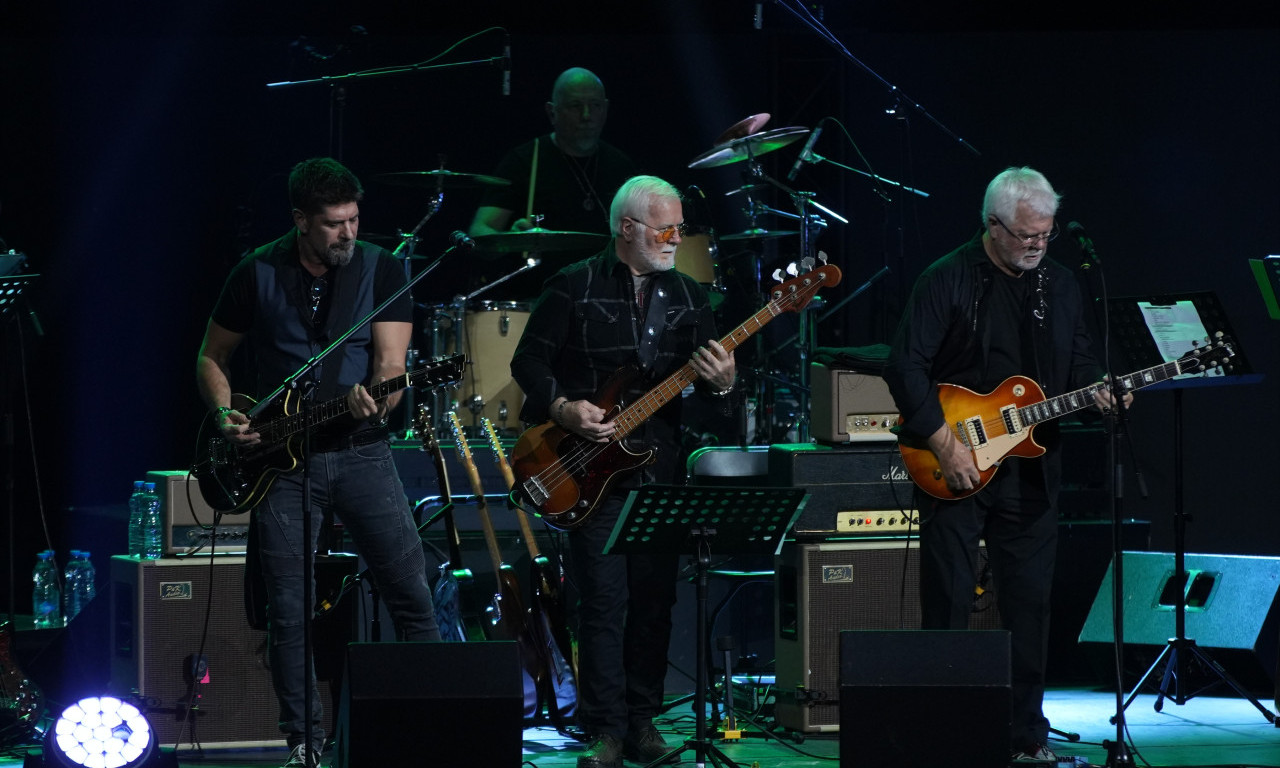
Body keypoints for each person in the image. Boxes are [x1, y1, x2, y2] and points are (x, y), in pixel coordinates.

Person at [195, 157, 440, 768]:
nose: (348, 233)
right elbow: (212, 356)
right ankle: (305, 743)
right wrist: (225, 414)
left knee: (412, 592)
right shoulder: (255, 271)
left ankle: (431, 728)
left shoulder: (383, 268)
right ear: (301, 220)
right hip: (279, 466)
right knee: (288, 611)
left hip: (361, 453)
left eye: (354, 220)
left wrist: (377, 402)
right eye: (334, 223)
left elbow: (391, 368)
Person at [882, 166, 1131, 763]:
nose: (1037, 245)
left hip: (1032, 468)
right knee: (947, 600)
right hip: (954, 459)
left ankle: (1026, 736)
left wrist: (1101, 392)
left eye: (1046, 234)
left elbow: (1079, 365)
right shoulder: (946, 277)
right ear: (992, 226)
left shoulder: (1061, 286)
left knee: (1029, 604)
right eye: (1026, 235)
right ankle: (944, 737)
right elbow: (904, 366)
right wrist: (946, 444)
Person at [510, 175, 736, 768]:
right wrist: (564, 408)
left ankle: (643, 722)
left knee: (654, 604)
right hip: (587, 470)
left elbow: (717, 402)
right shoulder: (573, 284)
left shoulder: (689, 295)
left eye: (680, 228)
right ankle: (604, 729)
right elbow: (527, 361)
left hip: (659, 470)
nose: (676, 238)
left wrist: (724, 384)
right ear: (627, 228)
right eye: (665, 229)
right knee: (603, 606)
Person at [468, 67, 641, 299]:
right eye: (575, 106)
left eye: (595, 105)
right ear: (552, 112)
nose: (587, 115)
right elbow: (479, 232)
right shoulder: (525, 161)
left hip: (605, 298)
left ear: (606, 109)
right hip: (538, 298)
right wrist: (509, 240)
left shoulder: (621, 166)